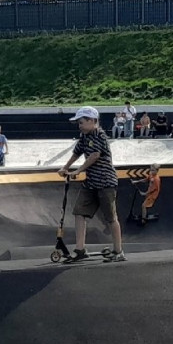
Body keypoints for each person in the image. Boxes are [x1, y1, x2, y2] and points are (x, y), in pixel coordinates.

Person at [59, 106, 124, 262]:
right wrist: (65, 167)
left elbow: (94, 156)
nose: (79, 126)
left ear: (92, 121)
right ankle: (80, 249)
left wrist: (78, 170)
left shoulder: (100, 136)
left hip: (105, 182)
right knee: (79, 212)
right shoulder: (84, 137)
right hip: (91, 183)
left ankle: (118, 251)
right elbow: (77, 152)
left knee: (111, 218)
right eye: (78, 123)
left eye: (81, 122)